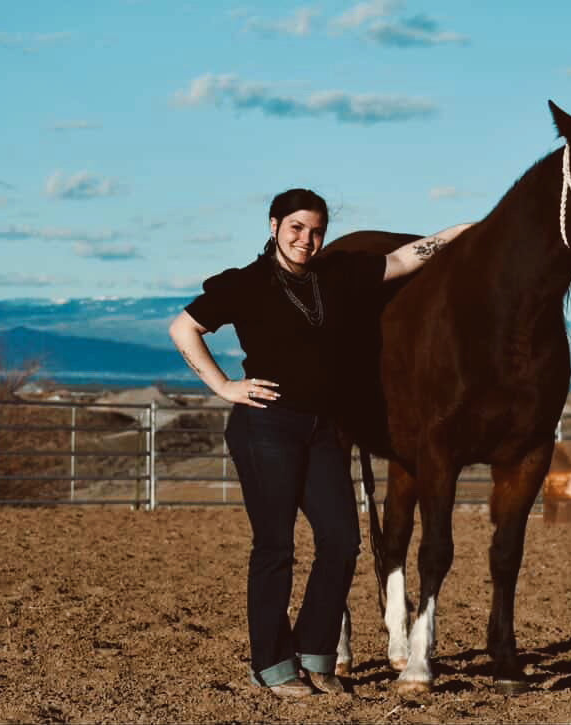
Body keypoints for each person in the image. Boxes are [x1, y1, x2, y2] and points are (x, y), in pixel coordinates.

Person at [168, 188, 472, 697]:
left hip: (324, 430)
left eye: (315, 231)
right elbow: (184, 329)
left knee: (341, 540)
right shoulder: (244, 284)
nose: (305, 240)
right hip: (267, 427)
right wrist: (223, 386)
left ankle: (315, 654)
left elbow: (403, 259)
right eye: (296, 228)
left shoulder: (336, 276)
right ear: (274, 226)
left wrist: (460, 232)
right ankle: (271, 663)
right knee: (275, 547)